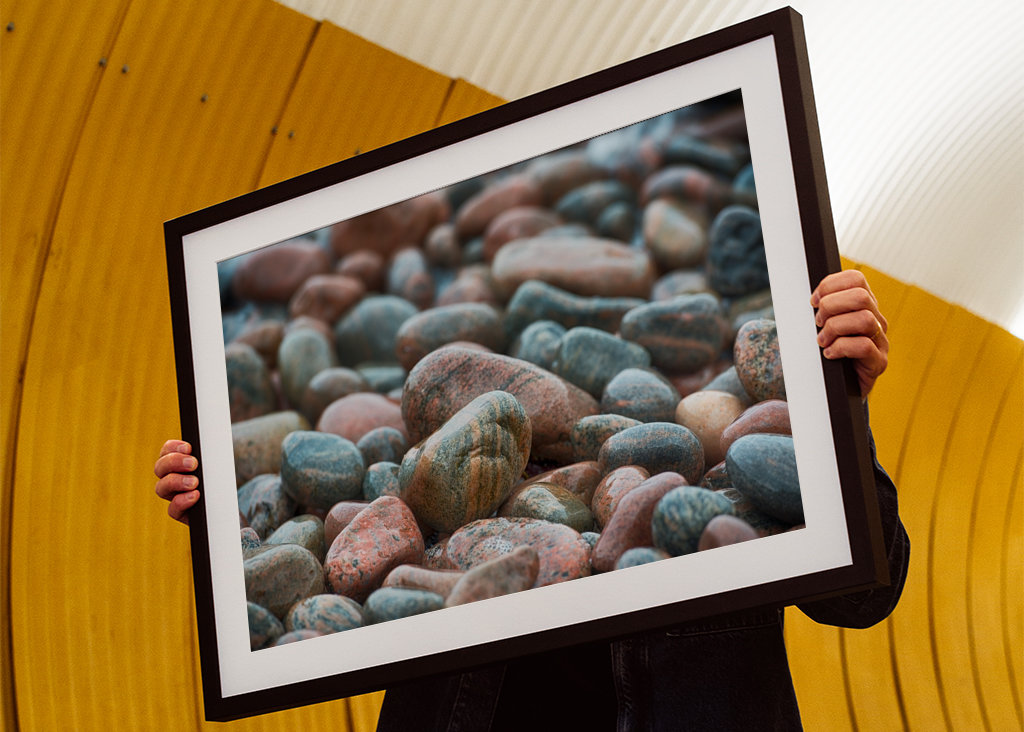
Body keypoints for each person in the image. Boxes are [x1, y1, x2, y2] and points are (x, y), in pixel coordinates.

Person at [154, 269, 908, 731]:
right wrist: (228, 518)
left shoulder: (734, 444)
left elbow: (866, 595)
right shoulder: (463, 466)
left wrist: (835, 408)